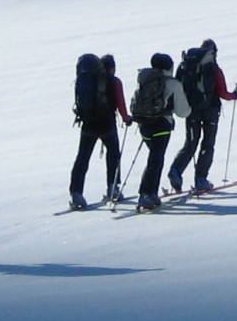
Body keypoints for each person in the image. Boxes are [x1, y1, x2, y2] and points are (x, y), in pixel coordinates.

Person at [169, 39, 237, 194]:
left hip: (191, 110)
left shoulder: (187, 66)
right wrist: (234, 95)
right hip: (211, 111)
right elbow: (223, 93)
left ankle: (176, 170)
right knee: (207, 145)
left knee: (190, 143)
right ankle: (201, 179)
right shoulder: (214, 68)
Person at [69, 52, 129, 209]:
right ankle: (112, 187)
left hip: (88, 123)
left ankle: (76, 192)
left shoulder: (88, 80)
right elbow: (121, 103)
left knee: (83, 157)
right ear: (112, 68)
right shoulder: (114, 82)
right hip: (107, 124)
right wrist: (126, 118)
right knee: (113, 154)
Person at [128, 53, 183, 209]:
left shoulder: (144, 78)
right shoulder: (172, 83)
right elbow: (182, 111)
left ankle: (150, 193)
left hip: (143, 124)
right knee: (156, 159)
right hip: (161, 124)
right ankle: (147, 194)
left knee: (154, 158)